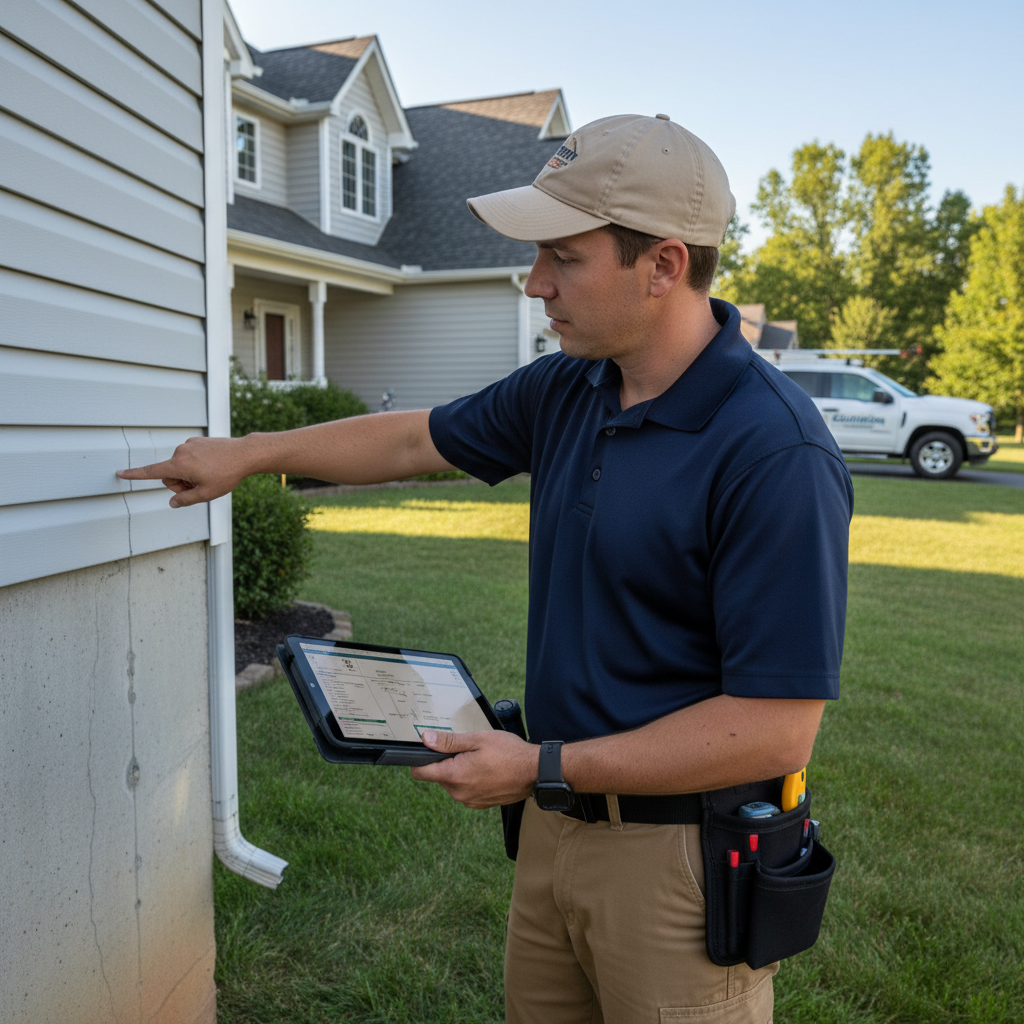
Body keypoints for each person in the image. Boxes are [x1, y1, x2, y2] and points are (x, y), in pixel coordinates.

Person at [119, 113, 852, 1024]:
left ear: (663, 266)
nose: (535, 281)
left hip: (681, 868)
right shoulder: (569, 387)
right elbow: (412, 438)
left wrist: (544, 763)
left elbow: (775, 730)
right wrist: (249, 452)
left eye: (565, 258)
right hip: (550, 833)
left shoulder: (774, 451)